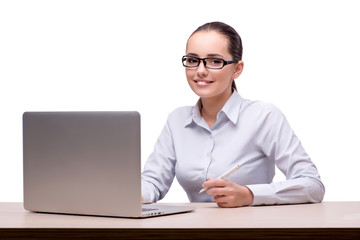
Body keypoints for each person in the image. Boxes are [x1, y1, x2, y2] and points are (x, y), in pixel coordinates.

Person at [141, 21, 325, 207]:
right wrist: (134, 195)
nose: (201, 70)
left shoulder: (264, 116)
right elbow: (152, 182)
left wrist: (250, 195)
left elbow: (312, 185)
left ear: (237, 69)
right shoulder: (177, 120)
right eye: (192, 60)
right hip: (195, 231)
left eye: (215, 61)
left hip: (251, 230)